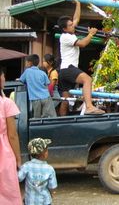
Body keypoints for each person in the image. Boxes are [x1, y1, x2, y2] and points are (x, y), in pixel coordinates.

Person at [57, 0, 105, 115]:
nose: (73, 25)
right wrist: (90, 34)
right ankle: (89, 107)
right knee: (87, 79)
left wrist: (78, 4)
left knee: (66, 100)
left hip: (64, 71)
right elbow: (83, 44)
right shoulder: (66, 36)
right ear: (64, 29)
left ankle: (60, 121)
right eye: (70, 25)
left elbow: (76, 19)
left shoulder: (69, 33)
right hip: (68, 68)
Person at [0, 66, 22, 205]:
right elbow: (12, 135)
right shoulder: (6, 103)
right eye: (3, 76)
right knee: (7, 190)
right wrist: (18, 159)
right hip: (4, 152)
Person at [18, 137, 58, 205]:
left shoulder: (26, 166)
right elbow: (52, 187)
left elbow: (18, 178)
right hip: (45, 201)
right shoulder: (49, 169)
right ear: (45, 153)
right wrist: (52, 193)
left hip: (30, 201)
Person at [20, 54, 57, 118]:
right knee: (49, 117)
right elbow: (48, 84)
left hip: (35, 98)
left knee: (37, 119)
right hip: (46, 97)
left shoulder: (27, 71)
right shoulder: (42, 73)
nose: (27, 63)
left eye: (27, 62)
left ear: (30, 62)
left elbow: (21, 80)